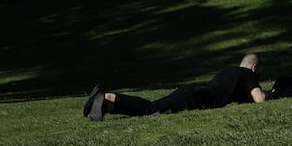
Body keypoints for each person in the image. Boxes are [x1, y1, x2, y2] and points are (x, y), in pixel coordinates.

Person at [85, 53, 267, 119]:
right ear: (254, 66)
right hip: (195, 99)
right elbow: (259, 99)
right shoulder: (248, 74)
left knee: (151, 109)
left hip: (192, 92)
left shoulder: (229, 71)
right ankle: (108, 96)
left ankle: (106, 106)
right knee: (150, 109)